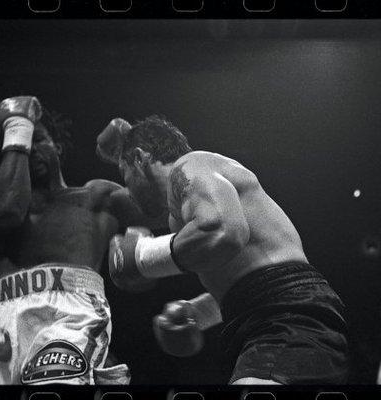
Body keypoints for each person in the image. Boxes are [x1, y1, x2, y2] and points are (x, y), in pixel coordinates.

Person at [96, 115, 349, 385]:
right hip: (270, 319)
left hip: (288, 316)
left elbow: (224, 232)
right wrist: (195, 314)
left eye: (125, 175)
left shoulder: (191, 165)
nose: (128, 191)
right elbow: (250, 280)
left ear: (139, 158)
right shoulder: (180, 213)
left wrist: (144, 256)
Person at [0, 96, 154, 385]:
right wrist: (19, 126)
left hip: (68, 314)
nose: (31, 150)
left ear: (58, 146)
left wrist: (133, 153)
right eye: (24, 144)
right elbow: (7, 212)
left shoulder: (95, 197)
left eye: (38, 139)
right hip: (0, 325)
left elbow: (161, 206)